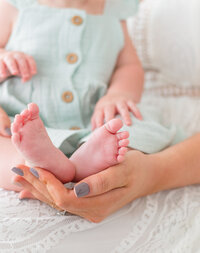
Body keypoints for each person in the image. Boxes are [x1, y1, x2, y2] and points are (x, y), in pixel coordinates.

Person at [0, 0, 179, 190]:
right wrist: (4, 58)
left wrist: (117, 94)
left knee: (130, 126)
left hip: (95, 123)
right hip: (21, 119)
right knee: (6, 142)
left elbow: (128, 66)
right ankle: (35, 164)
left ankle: (89, 160)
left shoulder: (114, 10)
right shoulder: (16, 5)